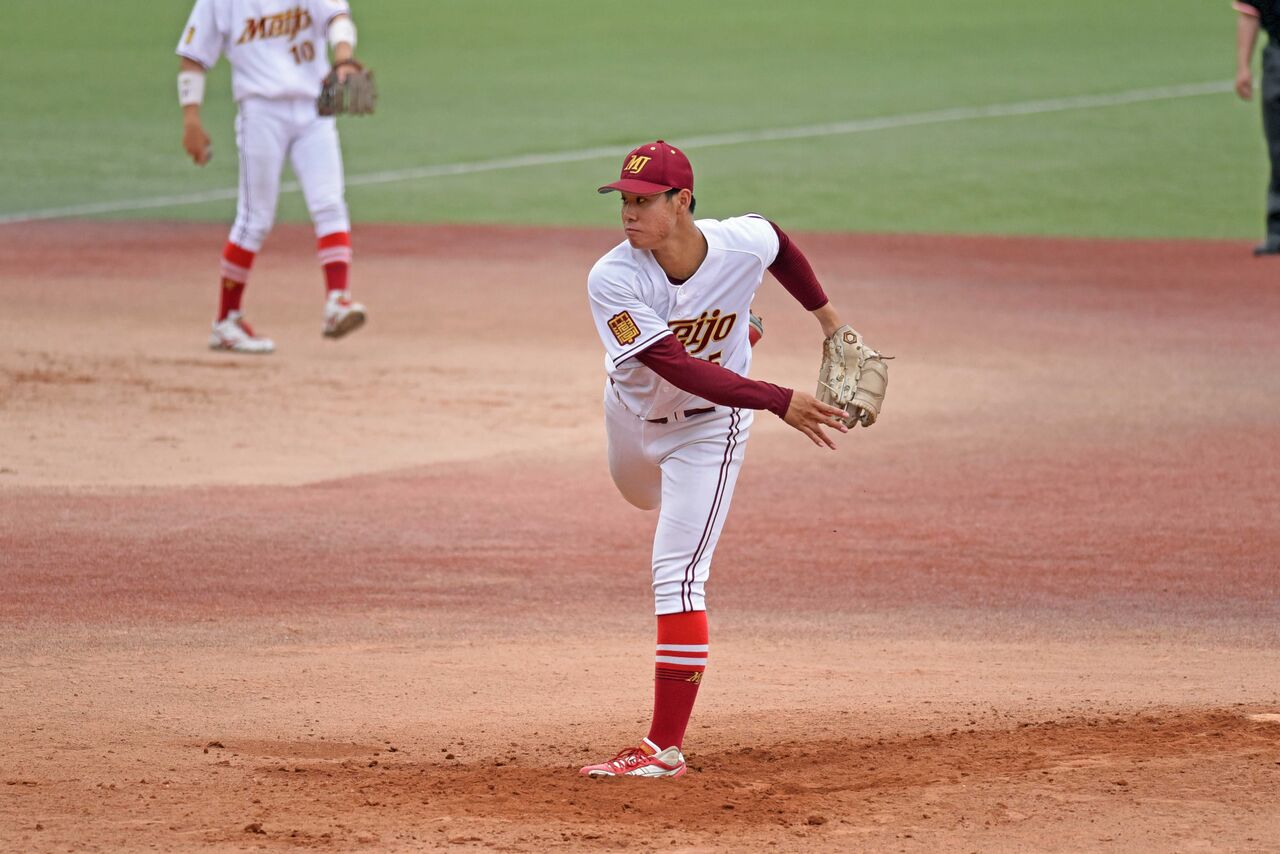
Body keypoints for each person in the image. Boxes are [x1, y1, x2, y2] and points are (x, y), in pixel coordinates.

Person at [580, 141, 863, 778]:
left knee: (677, 572)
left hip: (709, 428)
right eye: (623, 201)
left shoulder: (738, 243)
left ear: (682, 201)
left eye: (643, 201)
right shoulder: (613, 277)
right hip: (631, 414)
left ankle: (663, 748)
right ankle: (742, 330)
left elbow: (778, 243)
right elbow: (673, 366)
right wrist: (778, 397)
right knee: (637, 496)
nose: (628, 214)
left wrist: (829, 321)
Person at [176, 0, 368, 353]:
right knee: (255, 219)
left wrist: (343, 57)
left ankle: (337, 302)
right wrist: (191, 119)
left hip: (314, 108)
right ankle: (226, 321)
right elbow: (194, 56)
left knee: (329, 203)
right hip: (261, 111)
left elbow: (338, 18)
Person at [1235, 0, 1280, 255]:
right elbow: (1249, 12)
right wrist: (1243, 66)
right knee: (1278, 148)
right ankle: (1277, 232)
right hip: (1277, 56)